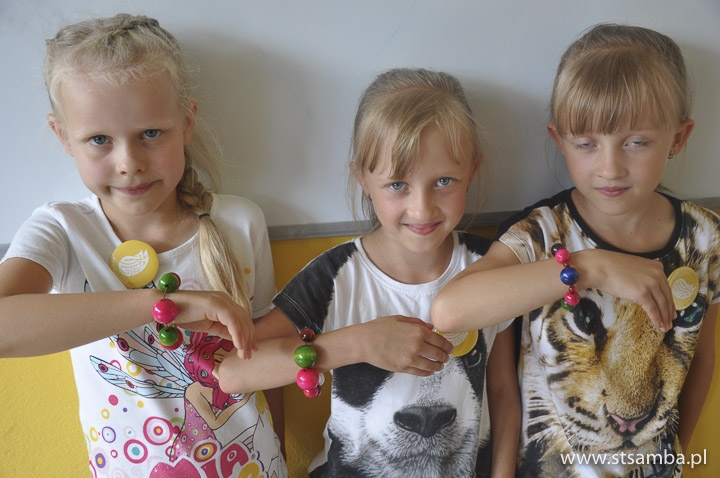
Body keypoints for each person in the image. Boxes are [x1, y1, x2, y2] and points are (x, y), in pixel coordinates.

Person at [0, 14, 287, 477]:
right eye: (99, 140)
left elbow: (269, 353)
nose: (129, 163)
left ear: (187, 122)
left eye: (150, 134)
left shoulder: (240, 222)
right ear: (63, 137)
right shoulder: (63, 230)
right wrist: (163, 306)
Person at [432, 23, 719, 477]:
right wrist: (590, 268)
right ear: (559, 140)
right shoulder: (540, 233)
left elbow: (702, 356)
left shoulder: (707, 238)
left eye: (636, 142)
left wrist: (675, 454)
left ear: (679, 138)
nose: (610, 167)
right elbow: (450, 311)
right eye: (586, 144)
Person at [217, 67, 519, 477]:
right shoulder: (335, 275)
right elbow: (234, 372)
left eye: (444, 181)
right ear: (362, 177)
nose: (422, 208)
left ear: (472, 171)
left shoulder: (495, 265)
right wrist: (355, 344)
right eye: (397, 185)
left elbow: (503, 392)